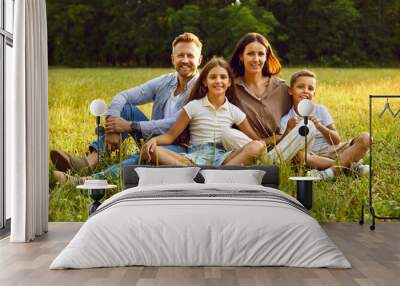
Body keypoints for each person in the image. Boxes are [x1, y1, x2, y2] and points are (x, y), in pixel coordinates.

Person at [52, 32, 203, 182]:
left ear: (199, 60)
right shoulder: (166, 81)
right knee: (125, 109)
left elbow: (173, 124)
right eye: (180, 55)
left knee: (147, 152)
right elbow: (123, 96)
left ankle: (89, 180)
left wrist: (131, 126)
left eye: (190, 56)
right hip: (154, 136)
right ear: (172, 58)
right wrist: (113, 126)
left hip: (181, 148)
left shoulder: (201, 89)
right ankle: (88, 163)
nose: (185, 60)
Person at [141, 57, 266, 166]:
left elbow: (255, 140)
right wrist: (154, 140)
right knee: (151, 151)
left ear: (229, 83)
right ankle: (208, 174)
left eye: (223, 77)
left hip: (224, 157)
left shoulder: (234, 111)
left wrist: (277, 138)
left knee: (257, 147)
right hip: (195, 158)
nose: (218, 81)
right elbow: (170, 136)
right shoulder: (193, 106)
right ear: (205, 82)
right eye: (213, 77)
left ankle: (215, 174)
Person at [221, 32, 315, 162]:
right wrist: (268, 140)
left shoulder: (281, 88)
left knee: (307, 126)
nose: (256, 59)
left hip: (281, 147)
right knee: (226, 134)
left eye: (260, 54)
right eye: (250, 54)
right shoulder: (231, 88)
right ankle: (270, 162)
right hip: (247, 146)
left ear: (266, 57)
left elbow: (299, 114)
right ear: (241, 56)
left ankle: (269, 161)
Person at [280, 70, 371, 180]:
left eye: (310, 88)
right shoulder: (287, 118)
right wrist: (289, 128)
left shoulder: (320, 110)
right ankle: (351, 167)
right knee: (299, 157)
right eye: (300, 87)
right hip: (311, 155)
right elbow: (283, 149)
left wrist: (319, 126)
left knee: (366, 138)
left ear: (314, 93)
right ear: (290, 90)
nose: (305, 91)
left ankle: (329, 172)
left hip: (333, 150)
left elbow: (336, 140)